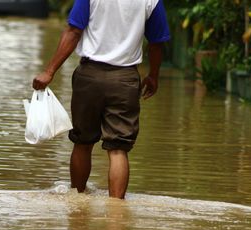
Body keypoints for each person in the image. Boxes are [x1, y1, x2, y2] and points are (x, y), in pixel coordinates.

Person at [32, 0, 170, 199]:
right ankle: (116, 212)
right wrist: (154, 76)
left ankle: (77, 203)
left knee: (82, 142)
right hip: (125, 80)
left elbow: (73, 31)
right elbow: (157, 42)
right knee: (118, 149)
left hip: (89, 76)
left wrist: (49, 71)